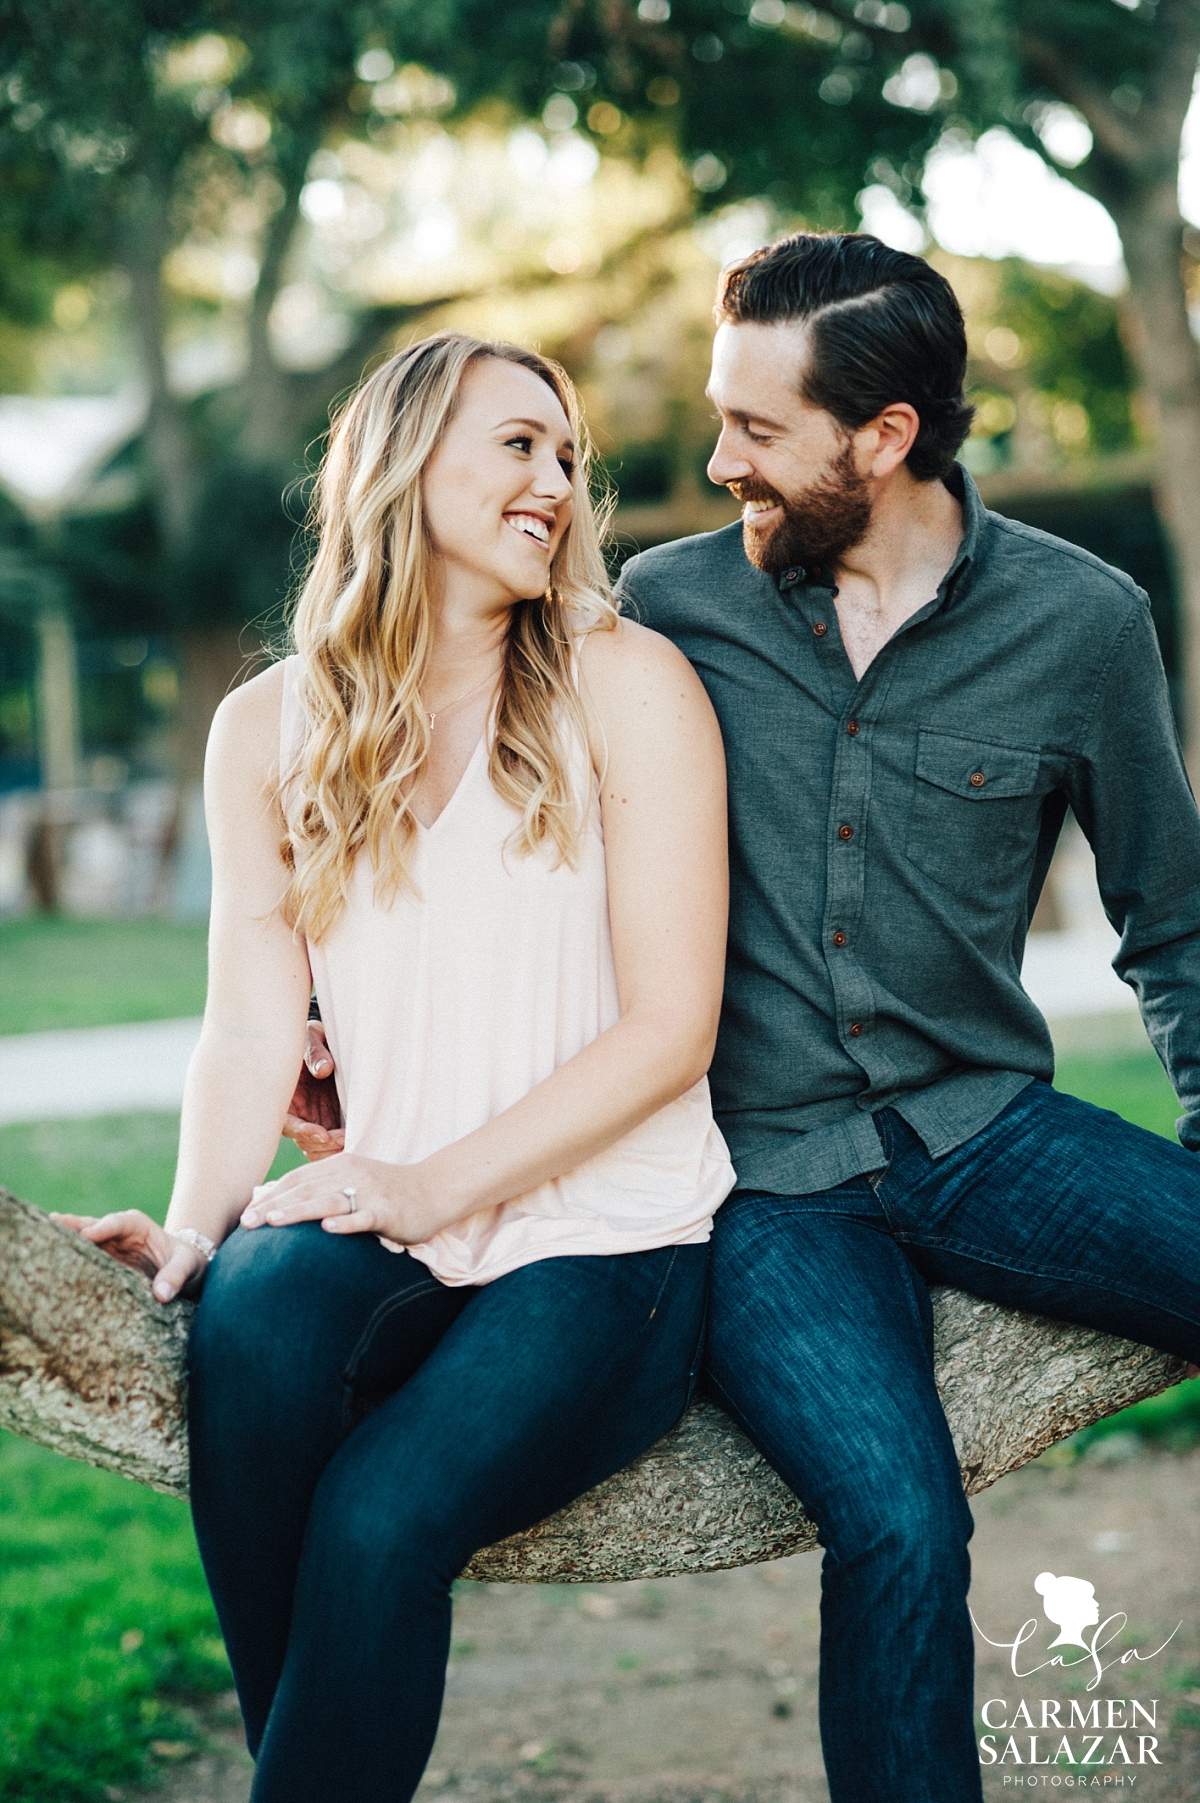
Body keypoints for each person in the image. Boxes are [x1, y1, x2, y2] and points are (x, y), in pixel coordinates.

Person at [291, 236, 1200, 1801]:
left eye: (758, 431)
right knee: (902, 1519)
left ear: (886, 435)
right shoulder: (665, 608)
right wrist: (326, 1006)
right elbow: (460, 779)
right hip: (769, 1188)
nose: (717, 463)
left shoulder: (1084, 623)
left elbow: (1174, 922)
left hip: (988, 1132)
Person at [52, 330, 735, 1802]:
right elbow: (246, 1025)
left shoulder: (626, 682)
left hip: (611, 1242)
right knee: (251, 1313)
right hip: (396, 1223)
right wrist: (186, 1225)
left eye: (568, 457)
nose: (557, 480)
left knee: (376, 1517)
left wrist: (425, 1183)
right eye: (517, 445)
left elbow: (674, 1028)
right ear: (403, 463)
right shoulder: (269, 726)